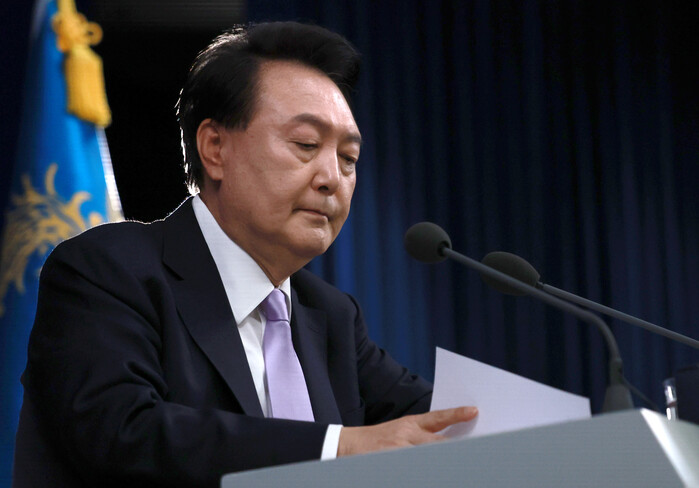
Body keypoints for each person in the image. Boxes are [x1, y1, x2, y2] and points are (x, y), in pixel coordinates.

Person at [13, 21, 477, 487]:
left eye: (349, 159)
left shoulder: (331, 317)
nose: (332, 179)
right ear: (215, 148)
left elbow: (447, 424)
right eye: (306, 145)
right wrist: (338, 449)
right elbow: (122, 432)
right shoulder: (108, 271)